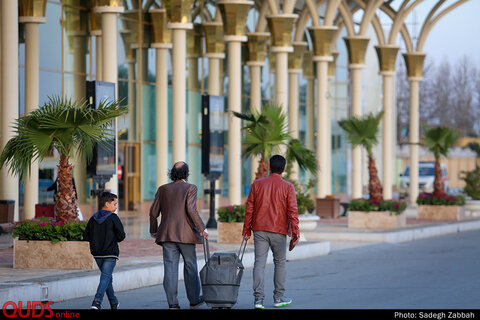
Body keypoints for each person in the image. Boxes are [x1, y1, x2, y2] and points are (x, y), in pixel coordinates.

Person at [242, 154, 300, 309]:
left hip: (260, 228)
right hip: (279, 230)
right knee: (280, 263)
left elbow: (250, 209)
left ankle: (258, 300)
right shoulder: (288, 187)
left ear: (268, 167)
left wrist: (246, 229)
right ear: (284, 169)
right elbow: (292, 211)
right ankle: (278, 298)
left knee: (259, 263)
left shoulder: (258, 184)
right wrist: (296, 233)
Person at [149, 161, 209, 309]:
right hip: (186, 234)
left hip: (166, 234)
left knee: (170, 268)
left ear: (172, 173)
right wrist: (202, 228)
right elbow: (191, 209)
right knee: (190, 266)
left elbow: (153, 213)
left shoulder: (162, 189)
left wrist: (153, 230)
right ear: (186, 173)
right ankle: (194, 300)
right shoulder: (191, 188)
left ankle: (173, 304)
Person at [83, 191, 125, 310]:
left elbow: (85, 235)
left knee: (107, 278)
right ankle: (97, 301)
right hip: (110, 253)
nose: (116, 206)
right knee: (106, 277)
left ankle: (114, 303)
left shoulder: (93, 218)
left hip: (97, 254)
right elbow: (122, 235)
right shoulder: (113, 218)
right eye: (115, 204)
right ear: (107, 204)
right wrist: (112, 239)